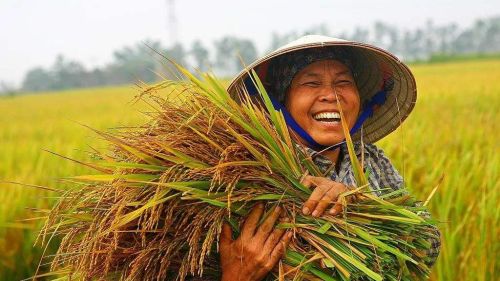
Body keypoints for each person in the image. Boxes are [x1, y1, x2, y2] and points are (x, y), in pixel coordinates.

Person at [219, 35, 441, 281]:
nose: (331, 95)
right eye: (311, 84)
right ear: (281, 103)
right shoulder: (256, 173)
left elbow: (427, 244)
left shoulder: (371, 160)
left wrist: (359, 204)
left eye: (343, 82)